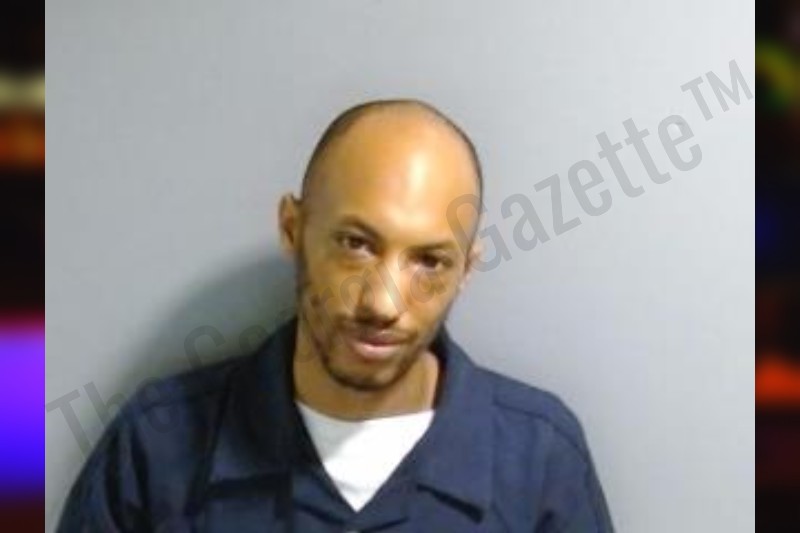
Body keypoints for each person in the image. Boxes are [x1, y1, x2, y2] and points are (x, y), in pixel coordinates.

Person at [57, 99, 615, 532]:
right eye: (356, 244)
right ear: (292, 229)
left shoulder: (541, 460)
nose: (382, 304)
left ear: (466, 269)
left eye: (429, 261)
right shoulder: (156, 447)